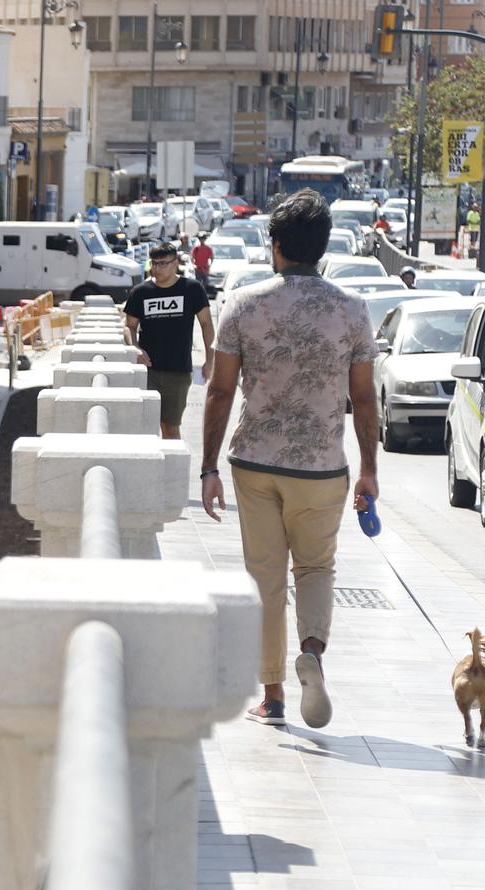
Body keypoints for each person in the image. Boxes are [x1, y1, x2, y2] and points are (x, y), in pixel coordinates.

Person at [199, 188, 379, 730]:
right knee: (317, 566)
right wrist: (369, 469)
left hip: (255, 463)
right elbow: (365, 398)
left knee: (265, 577)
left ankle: (273, 697)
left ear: (275, 245)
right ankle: (313, 652)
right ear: (322, 248)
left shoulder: (244, 305)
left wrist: (208, 467)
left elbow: (220, 391)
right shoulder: (351, 310)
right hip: (322, 465)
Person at [124, 241, 215, 441]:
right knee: (146, 426)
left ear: (175, 263)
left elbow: (207, 325)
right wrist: (135, 348)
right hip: (147, 370)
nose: (157, 268)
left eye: (162, 263)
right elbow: (129, 326)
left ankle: (170, 471)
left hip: (178, 372)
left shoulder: (192, 289)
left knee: (170, 427)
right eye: (154, 263)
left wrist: (210, 361)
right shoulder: (141, 292)